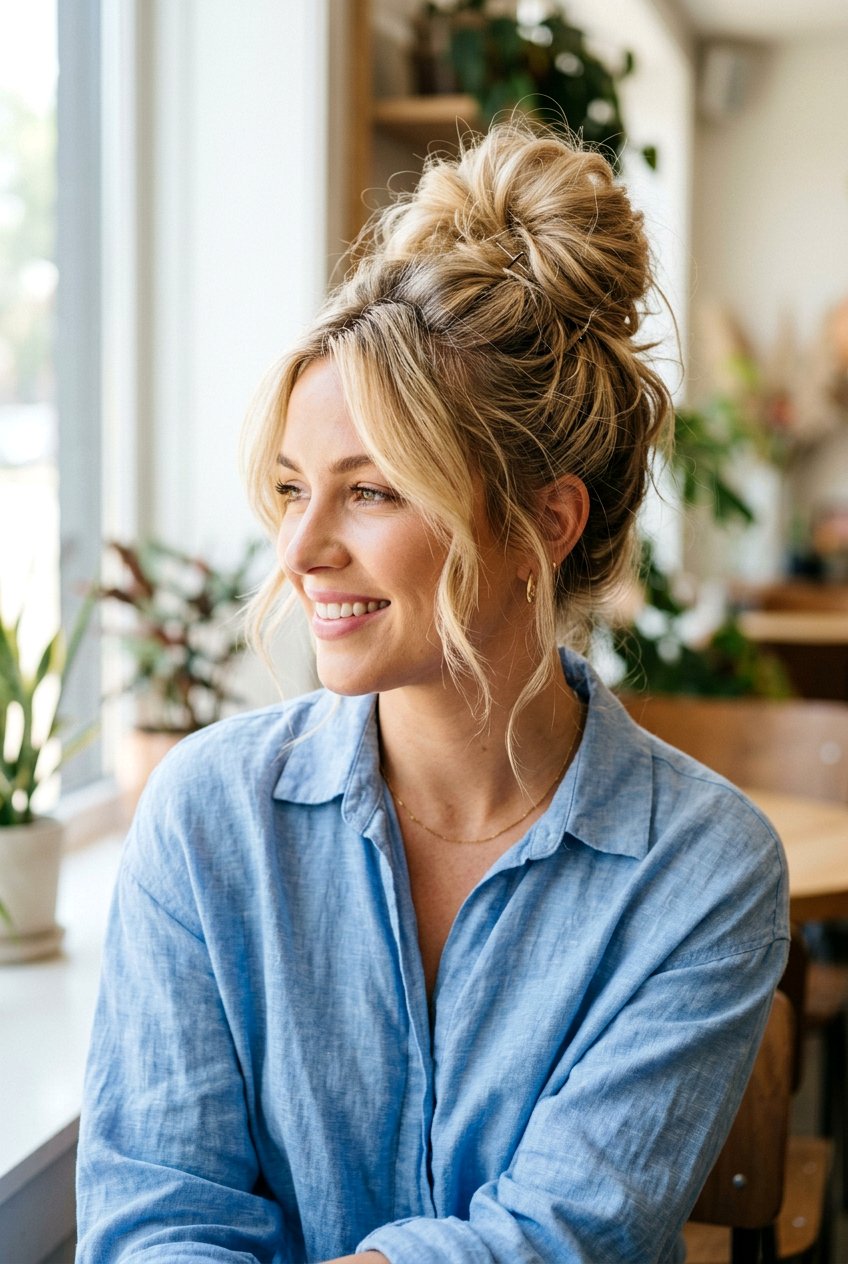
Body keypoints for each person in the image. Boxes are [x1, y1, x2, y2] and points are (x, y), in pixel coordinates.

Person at [76, 120, 789, 1264]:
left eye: (369, 493)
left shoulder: (700, 870)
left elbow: (553, 1242)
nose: (299, 548)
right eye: (290, 487)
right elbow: (161, 1220)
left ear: (542, 525)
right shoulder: (206, 818)